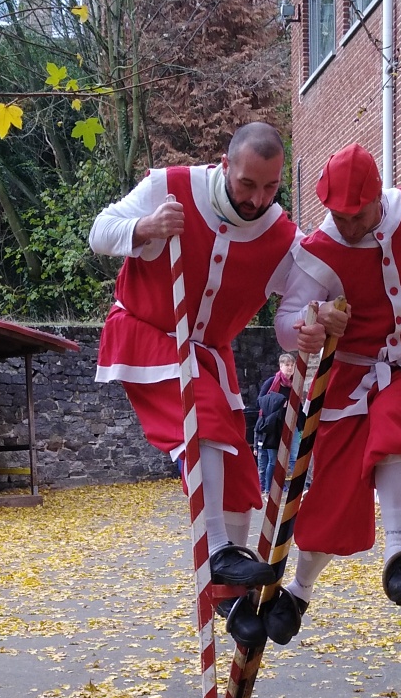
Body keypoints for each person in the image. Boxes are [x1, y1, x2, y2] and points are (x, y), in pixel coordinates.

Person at [231, 144, 401, 649]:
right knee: (333, 494)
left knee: (396, 429)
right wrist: (312, 323)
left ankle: (397, 557)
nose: (347, 225)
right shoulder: (316, 248)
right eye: (339, 214)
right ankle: (298, 594)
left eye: (359, 214)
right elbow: (284, 324)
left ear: (377, 198)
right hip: (343, 381)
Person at [89, 123, 347, 589]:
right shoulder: (169, 187)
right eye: (247, 183)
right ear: (225, 165)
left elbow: (295, 315)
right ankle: (217, 550)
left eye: (270, 187)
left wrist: (316, 318)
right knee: (202, 417)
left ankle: (231, 598)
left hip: (209, 356)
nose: (257, 199)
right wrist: (145, 227)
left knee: (238, 476)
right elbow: (99, 231)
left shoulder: (284, 238)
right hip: (146, 332)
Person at [253, 353, 297, 492]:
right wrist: (279, 402)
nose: (290, 368)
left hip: (291, 423)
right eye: (287, 365)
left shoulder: (295, 383)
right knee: (273, 459)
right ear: (281, 366)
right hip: (274, 425)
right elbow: (260, 401)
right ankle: (268, 488)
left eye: (292, 365)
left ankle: (287, 486)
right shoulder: (272, 381)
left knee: (292, 457)